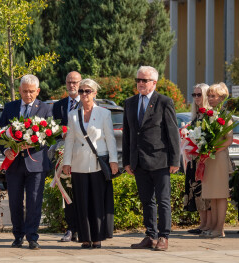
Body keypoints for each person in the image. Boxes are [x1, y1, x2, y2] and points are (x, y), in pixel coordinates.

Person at [122, 66, 180, 251]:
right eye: (138, 80)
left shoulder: (164, 101)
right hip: (138, 161)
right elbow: (127, 135)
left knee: (163, 200)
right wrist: (127, 161)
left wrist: (175, 160)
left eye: (144, 80)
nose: (140, 83)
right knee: (147, 200)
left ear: (154, 82)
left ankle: (164, 236)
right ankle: (151, 235)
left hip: (160, 159)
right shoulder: (130, 103)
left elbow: (172, 133)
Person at [62, 79, 118, 249]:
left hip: (97, 164)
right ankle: (85, 238)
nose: (84, 94)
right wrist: (66, 162)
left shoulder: (104, 113)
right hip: (78, 164)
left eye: (87, 91)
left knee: (97, 201)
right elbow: (70, 140)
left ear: (94, 93)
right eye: (81, 91)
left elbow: (110, 138)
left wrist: (114, 160)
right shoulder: (72, 114)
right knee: (82, 202)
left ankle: (97, 237)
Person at [0, 74, 52, 250]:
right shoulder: (10, 107)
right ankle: (18, 235)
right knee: (14, 201)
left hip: (36, 164)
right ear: (19, 90)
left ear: (37, 91)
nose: (27, 95)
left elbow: (50, 135)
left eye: (31, 91)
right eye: (24, 91)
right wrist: (6, 150)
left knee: (34, 201)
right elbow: (0, 132)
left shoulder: (45, 108)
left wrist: (34, 142)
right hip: (14, 163)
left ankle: (32, 237)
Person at [201, 83, 233, 238]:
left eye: (213, 96)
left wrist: (214, 150)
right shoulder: (209, 114)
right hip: (210, 158)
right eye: (209, 95)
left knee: (220, 195)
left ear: (221, 97)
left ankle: (219, 229)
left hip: (218, 158)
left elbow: (229, 139)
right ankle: (213, 226)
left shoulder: (226, 115)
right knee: (212, 195)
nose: (210, 98)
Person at [52, 71, 81, 242]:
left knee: (82, 193)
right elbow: (54, 129)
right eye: (69, 82)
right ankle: (70, 229)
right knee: (67, 193)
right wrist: (60, 134)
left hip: (83, 155)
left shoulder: (87, 103)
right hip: (64, 155)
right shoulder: (59, 106)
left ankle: (83, 229)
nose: (72, 85)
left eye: (75, 82)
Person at [184, 84, 212, 235]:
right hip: (194, 159)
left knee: (204, 191)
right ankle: (202, 224)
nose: (196, 98)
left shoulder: (209, 115)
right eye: (194, 95)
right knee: (196, 191)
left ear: (206, 95)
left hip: (205, 159)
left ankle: (208, 224)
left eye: (199, 94)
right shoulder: (196, 116)